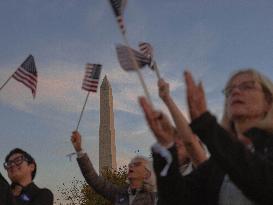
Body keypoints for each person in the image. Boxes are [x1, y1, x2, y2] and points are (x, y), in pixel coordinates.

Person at [140, 69, 273, 205]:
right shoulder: (217, 163)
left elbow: (266, 186)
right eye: (230, 89)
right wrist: (166, 147)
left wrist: (207, 125)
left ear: (268, 101)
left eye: (247, 86)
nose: (236, 91)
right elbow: (176, 199)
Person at [71, 131, 157, 205]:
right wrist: (79, 150)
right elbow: (94, 180)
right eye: (131, 163)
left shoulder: (154, 199)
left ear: (147, 174)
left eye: (137, 164)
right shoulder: (119, 194)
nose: (131, 165)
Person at [157, 78, 209, 175]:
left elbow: (190, 141)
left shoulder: (201, 171)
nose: (176, 142)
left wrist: (167, 99)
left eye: (180, 138)